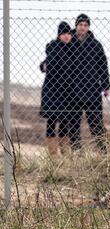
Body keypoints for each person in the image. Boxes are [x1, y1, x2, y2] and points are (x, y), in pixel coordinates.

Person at [70, 13, 110, 151]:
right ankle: (76, 151)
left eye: (85, 25)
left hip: (92, 90)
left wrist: (106, 86)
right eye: (80, 25)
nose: (83, 27)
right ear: (76, 26)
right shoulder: (68, 41)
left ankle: (105, 151)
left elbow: (103, 66)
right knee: (73, 123)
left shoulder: (96, 45)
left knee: (96, 124)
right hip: (72, 91)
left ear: (88, 27)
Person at [39, 21, 74, 155]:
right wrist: (43, 66)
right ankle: (53, 154)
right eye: (63, 33)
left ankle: (65, 152)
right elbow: (46, 63)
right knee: (52, 120)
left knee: (65, 121)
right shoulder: (53, 47)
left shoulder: (73, 50)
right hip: (52, 91)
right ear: (59, 35)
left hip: (67, 92)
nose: (66, 36)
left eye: (69, 33)